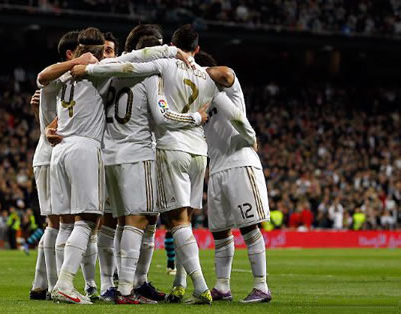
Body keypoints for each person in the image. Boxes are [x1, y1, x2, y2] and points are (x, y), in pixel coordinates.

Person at [73, 24, 253, 304]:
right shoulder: (199, 75)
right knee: (161, 220)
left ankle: (120, 284)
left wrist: (86, 69)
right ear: (196, 48)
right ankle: (157, 286)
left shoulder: (129, 70)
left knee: (124, 222)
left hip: (123, 151)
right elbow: (168, 114)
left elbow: (109, 83)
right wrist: (205, 121)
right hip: (179, 152)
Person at [96, 27, 208, 304]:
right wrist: (195, 117)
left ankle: (124, 284)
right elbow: (162, 116)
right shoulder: (150, 74)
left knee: (123, 222)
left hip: (108, 152)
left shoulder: (109, 72)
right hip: (137, 153)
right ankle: (125, 289)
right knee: (138, 221)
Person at [196, 52, 272, 303]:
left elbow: (236, 110)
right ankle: (222, 287)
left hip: (240, 163)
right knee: (219, 232)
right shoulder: (199, 100)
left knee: (249, 227)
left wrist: (251, 138)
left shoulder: (229, 89)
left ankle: (261, 286)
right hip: (216, 168)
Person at [37, 27, 103, 305]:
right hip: (84, 147)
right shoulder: (100, 71)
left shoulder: (64, 76)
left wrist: (49, 128)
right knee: (87, 219)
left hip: (59, 149)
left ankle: (59, 285)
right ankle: (65, 283)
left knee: (64, 222)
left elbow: (43, 79)